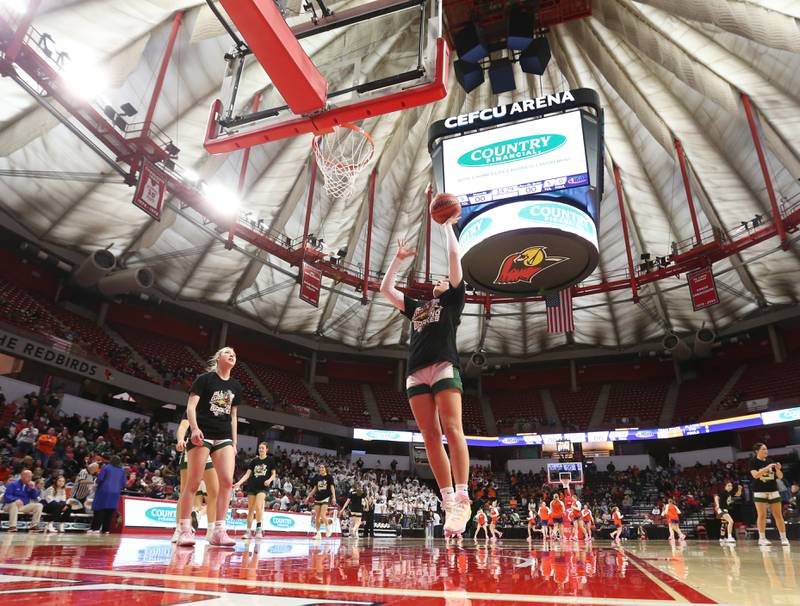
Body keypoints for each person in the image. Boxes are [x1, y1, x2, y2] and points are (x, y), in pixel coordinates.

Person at [379, 212, 471, 539]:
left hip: (444, 365)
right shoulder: (418, 307)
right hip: (416, 373)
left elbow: (454, 257)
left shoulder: (453, 303)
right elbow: (385, 288)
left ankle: (462, 496)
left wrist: (446, 226)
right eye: (438, 281)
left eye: (445, 281)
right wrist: (398, 259)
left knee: (452, 428)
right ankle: (448, 500)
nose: (439, 281)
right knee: (429, 436)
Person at [176, 347, 242, 547]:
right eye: (227, 352)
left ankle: (219, 531)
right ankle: (185, 530)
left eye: (234, 354)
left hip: (223, 437)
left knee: (227, 482)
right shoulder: (204, 379)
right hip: (202, 433)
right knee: (193, 484)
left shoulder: (236, 386)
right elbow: (191, 407)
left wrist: (234, 441)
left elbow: (233, 416)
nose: (231, 355)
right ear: (218, 358)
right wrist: (194, 429)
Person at [171, 417, 219, 542]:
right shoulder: (194, 405)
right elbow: (183, 426)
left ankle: (211, 531)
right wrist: (181, 439)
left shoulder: (217, 409)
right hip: (193, 447)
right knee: (184, 491)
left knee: (214, 493)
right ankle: (179, 529)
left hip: (210, 451)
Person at [233, 442, 277, 539]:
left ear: (267, 449)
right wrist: (239, 483)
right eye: (260, 448)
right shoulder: (254, 461)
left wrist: (269, 480)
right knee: (250, 510)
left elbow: (274, 474)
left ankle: (258, 530)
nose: (261, 449)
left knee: (258, 506)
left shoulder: (270, 460)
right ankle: (248, 531)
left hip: (263, 487)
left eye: (263, 448)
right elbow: (247, 474)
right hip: (252, 486)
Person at [749, 442, 789, 546]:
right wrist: (767, 467)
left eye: (766, 449)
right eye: (763, 449)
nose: (766, 451)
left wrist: (778, 469)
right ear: (757, 451)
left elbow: (780, 476)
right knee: (762, 515)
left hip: (773, 490)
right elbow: (756, 475)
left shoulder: (770, 461)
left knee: (778, 515)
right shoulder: (753, 462)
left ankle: (783, 538)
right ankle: (762, 538)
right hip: (759, 491)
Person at [88, 456, 126, 534]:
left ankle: (95, 529)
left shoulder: (106, 467)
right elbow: (124, 483)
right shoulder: (122, 470)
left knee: (99, 510)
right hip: (115, 493)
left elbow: (100, 479)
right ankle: (106, 530)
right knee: (110, 512)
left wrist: (97, 484)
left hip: (104, 491)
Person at [306, 463, 336, 540]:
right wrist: (308, 496)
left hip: (326, 497)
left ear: (325, 469)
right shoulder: (317, 478)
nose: (321, 469)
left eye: (323, 467)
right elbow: (315, 489)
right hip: (317, 498)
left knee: (323, 515)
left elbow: (332, 487)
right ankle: (318, 534)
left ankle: (328, 528)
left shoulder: (329, 477)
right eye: (320, 467)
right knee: (317, 517)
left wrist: (334, 497)